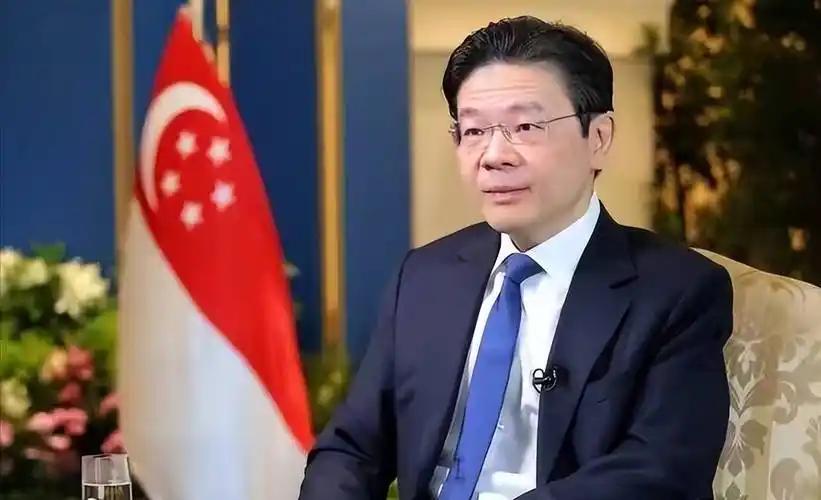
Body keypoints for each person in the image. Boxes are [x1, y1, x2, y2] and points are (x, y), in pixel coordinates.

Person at [299, 16, 733, 500]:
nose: (493, 155)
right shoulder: (424, 276)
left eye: (525, 126)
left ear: (599, 138)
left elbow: (660, 471)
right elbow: (350, 449)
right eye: (473, 130)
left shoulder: (677, 291)